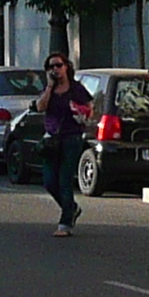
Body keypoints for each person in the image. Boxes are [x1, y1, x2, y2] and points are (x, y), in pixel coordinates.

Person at [35, 54, 94, 237]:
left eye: (58, 65)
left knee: (65, 180)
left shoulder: (76, 89)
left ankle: (65, 223)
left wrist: (82, 112)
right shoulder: (49, 89)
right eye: (51, 67)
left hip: (72, 138)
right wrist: (50, 87)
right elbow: (40, 107)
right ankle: (72, 208)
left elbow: (90, 107)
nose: (55, 69)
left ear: (66, 67)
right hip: (52, 139)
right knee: (50, 181)